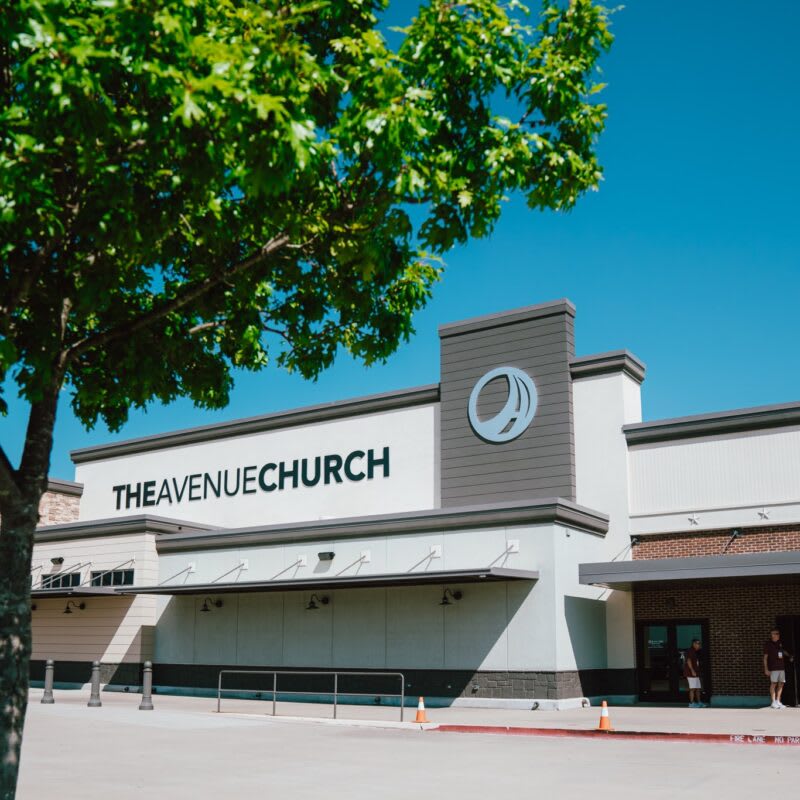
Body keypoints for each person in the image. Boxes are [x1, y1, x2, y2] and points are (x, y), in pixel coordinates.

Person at [763, 628, 794, 709]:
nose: (777, 635)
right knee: (773, 684)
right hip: (773, 668)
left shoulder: (779, 643)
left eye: (778, 633)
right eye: (775, 633)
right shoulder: (768, 644)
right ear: (772, 635)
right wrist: (766, 669)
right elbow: (765, 657)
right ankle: (773, 702)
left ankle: (778, 701)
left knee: (781, 684)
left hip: (781, 667)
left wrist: (789, 655)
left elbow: (782, 651)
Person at [684, 639, 706, 708]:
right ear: (693, 644)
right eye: (697, 643)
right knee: (692, 688)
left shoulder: (696, 652)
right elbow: (688, 661)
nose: (699, 645)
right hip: (691, 673)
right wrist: (692, 670)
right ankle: (691, 703)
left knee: (698, 688)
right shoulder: (690, 651)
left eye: (699, 643)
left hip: (696, 673)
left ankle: (699, 702)